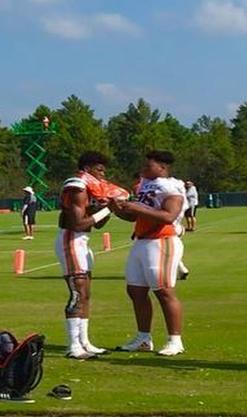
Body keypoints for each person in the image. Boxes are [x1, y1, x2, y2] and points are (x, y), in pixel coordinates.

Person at [109, 150, 187, 357]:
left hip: (161, 240)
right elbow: (134, 217)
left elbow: (169, 216)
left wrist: (134, 206)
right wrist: (117, 208)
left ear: (162, 167)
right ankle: (143, 338)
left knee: (163, 291)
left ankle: (175, 340)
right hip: (141, 240)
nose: (144, 168)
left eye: (149, 165)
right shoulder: (143, 184)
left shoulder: (172, 185)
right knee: (135, 290)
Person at [56, 152, 123, 358]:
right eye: (99, 169)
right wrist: (106, 209)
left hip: (82, 241)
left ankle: (84, 341)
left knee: (85, 293)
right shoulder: (76, 187)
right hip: (71, 238)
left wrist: (107, 207)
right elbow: (77, 223)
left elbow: (98, 222)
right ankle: (73, 345)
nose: (103, 174)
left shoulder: (89, 188)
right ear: (87, 169)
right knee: (77, 291)